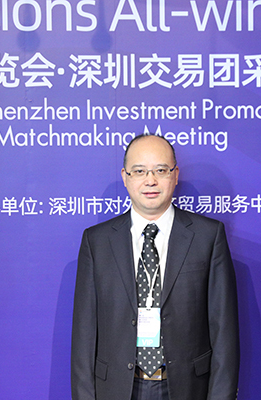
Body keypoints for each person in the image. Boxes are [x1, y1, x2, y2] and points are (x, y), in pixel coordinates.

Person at [71, 134, 239, 400]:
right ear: (125, 177)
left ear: (175, 175)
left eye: (161, 170)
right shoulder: (97, 242)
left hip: (186, 388)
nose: (150, 180)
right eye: (139, 171)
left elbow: (224, 331)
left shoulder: (208, 236)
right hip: (116, 389)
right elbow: (84, 334)